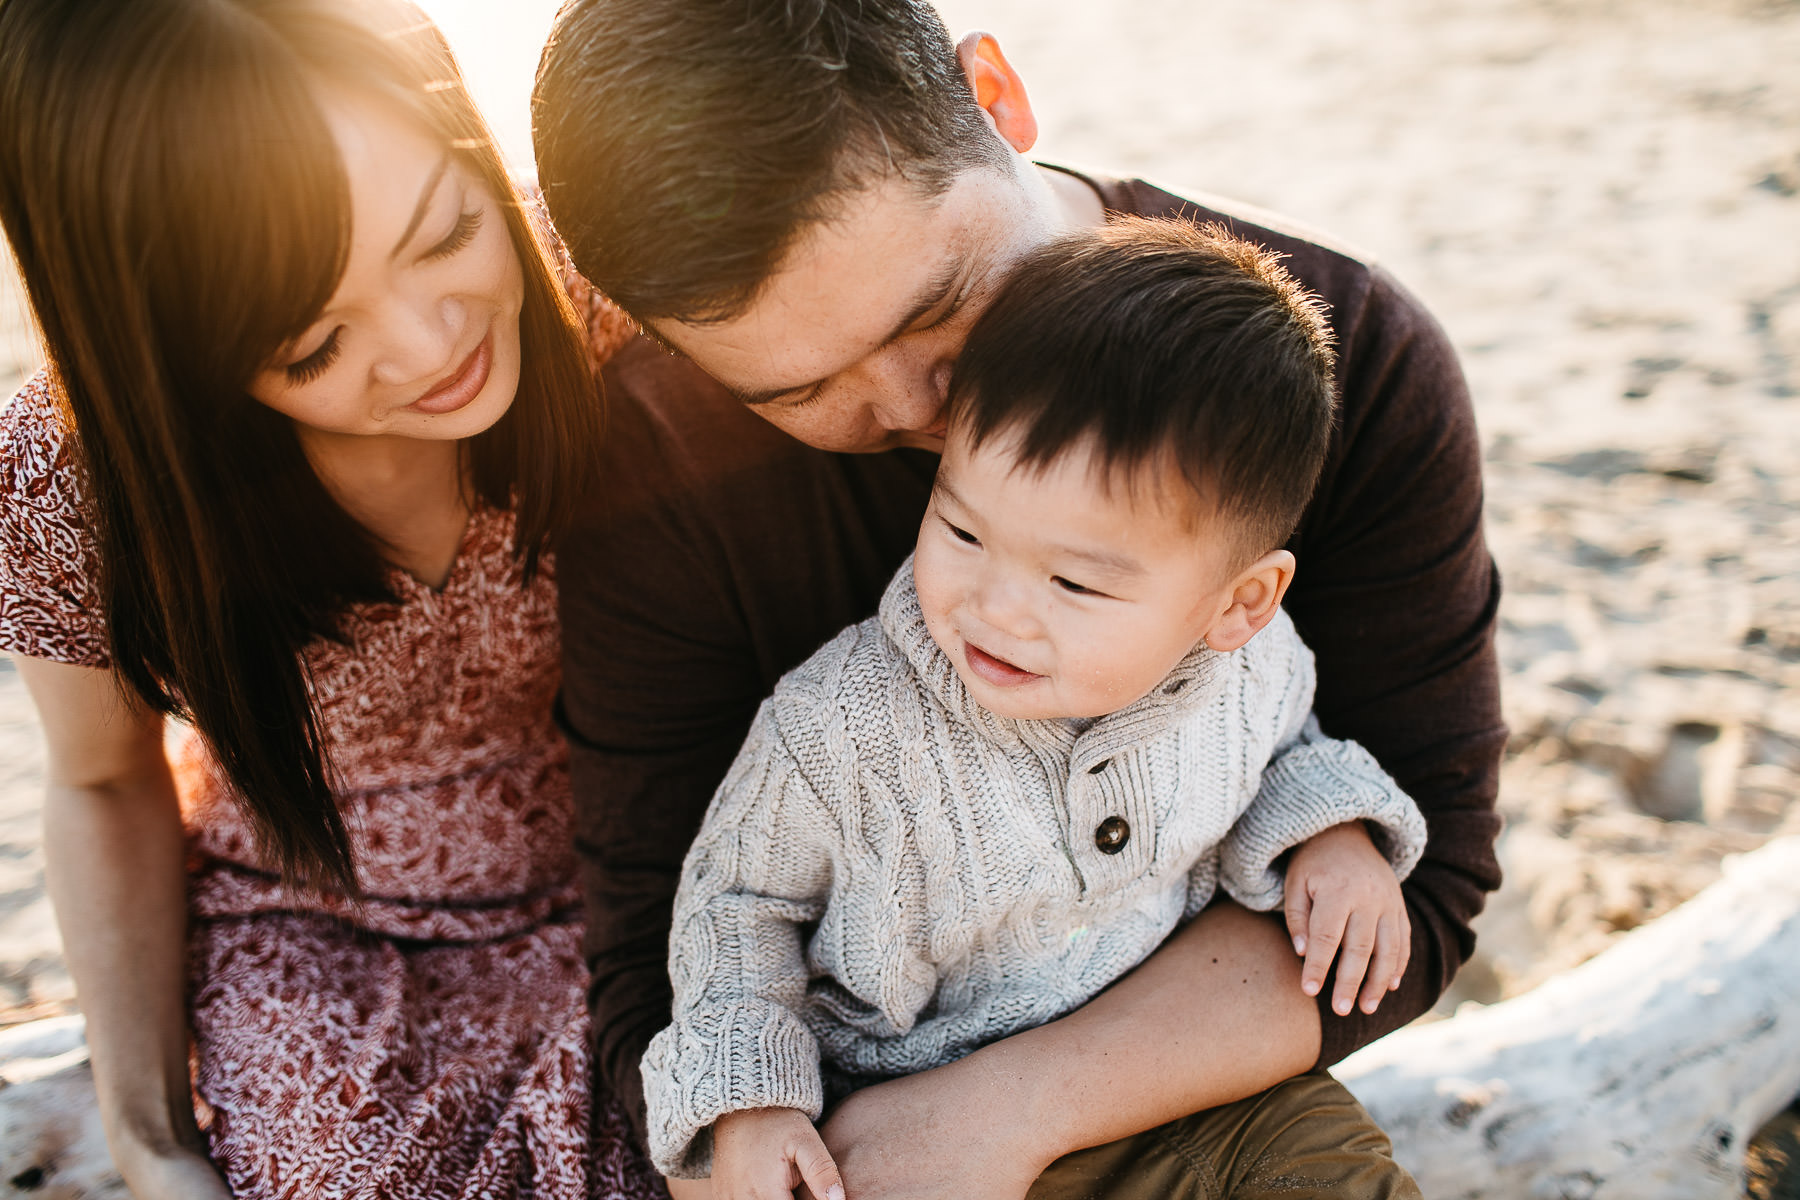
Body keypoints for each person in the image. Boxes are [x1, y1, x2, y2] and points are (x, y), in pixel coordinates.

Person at [533, 0, 1504, 1196]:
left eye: (938, 305)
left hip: (1208, 1097)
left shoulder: (1343, 357)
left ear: (995, 93)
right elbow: (663, 953)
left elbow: (1423, 869)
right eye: (801, 393)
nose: (917, 408)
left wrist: (1014, 1112)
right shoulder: (658, 469)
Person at [0, 1, 658, 1197]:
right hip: (321, 925)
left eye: (448, 232)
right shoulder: (72, 481)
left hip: (652, 867)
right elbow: (103, 781)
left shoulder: (604, 282)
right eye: (313, 345)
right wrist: (151, 1137)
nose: (429, 346)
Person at [641, 219, 1429, 1200]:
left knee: (1340, 1179)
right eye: (963, 529)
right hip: (910, 1112)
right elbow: (735, 905)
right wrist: (754, 1099)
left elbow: (1284, 750)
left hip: (1190, 1081)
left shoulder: (1254, 668)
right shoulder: (836, 728)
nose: (997, 608)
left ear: (1238, 604)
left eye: (1075, 583)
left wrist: (1332, 836)